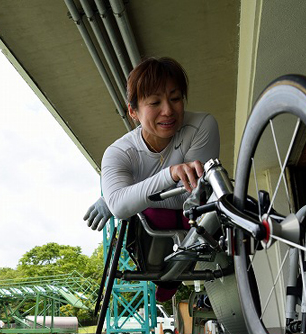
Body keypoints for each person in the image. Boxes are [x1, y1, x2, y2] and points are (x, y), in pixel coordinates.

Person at [84, 57, 220, 301]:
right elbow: (120, 207)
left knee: (208, 213)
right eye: (155, 102)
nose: (168, 110)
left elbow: (192, 197)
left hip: (193, 219)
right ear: (133, 111)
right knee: (156, 216)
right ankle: (165, 279)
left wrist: (128, 196)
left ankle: (175, 277)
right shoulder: (118, 153)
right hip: (151, 234)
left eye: (175, 98)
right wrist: (169, 175)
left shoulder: (202, 126)